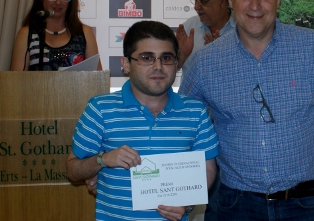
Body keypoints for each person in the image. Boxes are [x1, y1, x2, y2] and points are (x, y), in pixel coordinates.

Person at [180, 0, 314, 221]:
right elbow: (180, 130)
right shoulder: (205, 62)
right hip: (235, 207)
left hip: (306, 206)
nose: (255, 4)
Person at [66, 20, 219, 221]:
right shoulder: (100, 109)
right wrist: (103, 159)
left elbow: (208, 168)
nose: (158, 66)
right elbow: (72, 170)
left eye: (166, 58)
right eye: (147, 58)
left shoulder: (196, 111)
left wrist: (188, 202)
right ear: (126, 64)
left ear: (176, 63)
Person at [10, 0, 101, 71]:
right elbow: (16, 79)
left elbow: (98, 77)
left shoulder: (84, 33)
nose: (58, 2)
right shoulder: (27, 35)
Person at [176, 0, 235, 69]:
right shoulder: (189, 26)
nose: (196, 7)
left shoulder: (241, 30)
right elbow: (169, 71)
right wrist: (181, 57)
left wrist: (220, 57)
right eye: (195, 0)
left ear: (222, 1)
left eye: (203, 1)